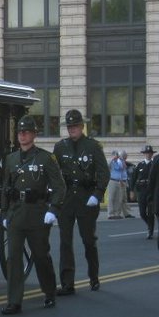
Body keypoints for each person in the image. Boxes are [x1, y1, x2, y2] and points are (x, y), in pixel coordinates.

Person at [0, 116, 65, 314]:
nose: (22, 135)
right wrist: (3, 213)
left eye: (26, 132)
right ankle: (14, 301)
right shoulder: (11, 159)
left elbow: (59, 186)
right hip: (16, 212)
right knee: (13, 257)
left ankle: (50, 291)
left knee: (41, 255)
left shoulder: (46, 158)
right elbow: (6, 188)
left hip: (37, 212)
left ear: (34, 135)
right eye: (20, 132)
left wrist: (53, 210)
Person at [53, 109, 109, 295]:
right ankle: (67, 283)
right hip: (67, 199)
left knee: (88, 241)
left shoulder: (93, 146)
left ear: (82, 126)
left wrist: (97, 194)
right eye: (69, 127)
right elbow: (55, 175)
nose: (72, 129)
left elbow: (103, 172)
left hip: (86, 198)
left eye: (75, 126)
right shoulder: (60, 147)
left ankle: (93, 277)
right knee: (65, 242)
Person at [130, 145, 154, 238]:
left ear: (152, 154)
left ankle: (150, 230)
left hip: (150, 191)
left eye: (149, 153)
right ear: (144, 154)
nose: (148, 155)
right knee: (142, 213)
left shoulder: (154, 164)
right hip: (141, 191)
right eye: (146, 153)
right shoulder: (140, 165)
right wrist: (132, 191)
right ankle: (150, 225)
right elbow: (133, 178)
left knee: (151, 212)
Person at [106, 149, 126, 219]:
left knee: (118, 198)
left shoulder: (119, 162)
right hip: (112, 181)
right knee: (111, 198)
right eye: (115, 155)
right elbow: (107, 167)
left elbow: (123, 168)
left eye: (117, 155)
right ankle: (111, 214)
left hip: (119, 181)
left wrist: (121, 159)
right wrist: (112, 159)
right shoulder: (111, 162)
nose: (116, 156)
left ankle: (117, 213)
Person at [120, 150, 134, 218]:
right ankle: (116, 213)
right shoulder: (117, 162)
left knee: (124, 198)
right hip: (120, 182)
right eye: (124, 157)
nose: (125, 158)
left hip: (124, 182)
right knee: (119, 198)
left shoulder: (127, 164)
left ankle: (126, 213)